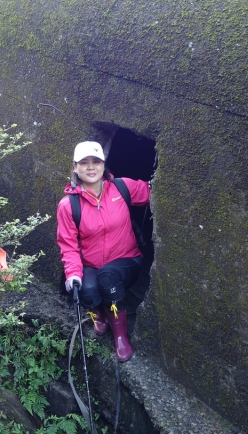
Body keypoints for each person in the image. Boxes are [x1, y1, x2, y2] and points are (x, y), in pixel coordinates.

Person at [56, 141, 150, 362]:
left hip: (127, 260)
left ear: (103, 164)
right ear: (75, 167)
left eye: (96, 162)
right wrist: (73, 275)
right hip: (92, 264)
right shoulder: (69, 205)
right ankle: (97, 315)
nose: (91, 167)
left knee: (108, 278)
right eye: (84, 163)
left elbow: (153, 192)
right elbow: (68, 245)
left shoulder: (122, 187)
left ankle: (120, 335)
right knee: (85, 293)